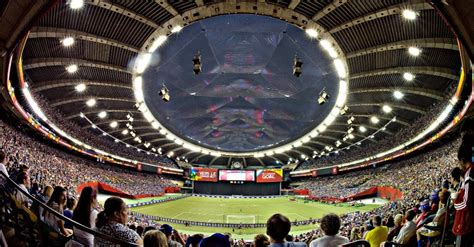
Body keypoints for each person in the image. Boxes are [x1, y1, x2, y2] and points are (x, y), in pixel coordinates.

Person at [453, 134, 474, 247]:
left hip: (468, 223)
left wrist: (455, 202)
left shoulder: (469, 173)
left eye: (459, 161)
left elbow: (467, 203)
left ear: (462, 159)